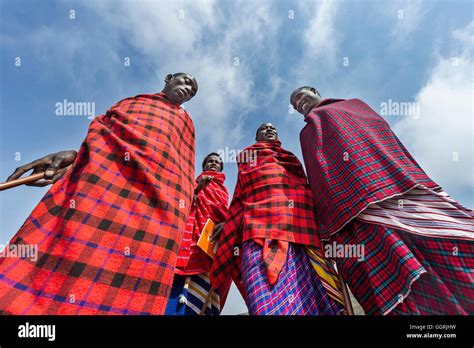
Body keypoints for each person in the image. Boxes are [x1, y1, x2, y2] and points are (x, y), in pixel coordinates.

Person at [0, 73, 198, 315]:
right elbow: (103, 141)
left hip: (156, 216)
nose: (188, 88)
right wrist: (76, 158)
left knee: (130, 287)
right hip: (97, 191)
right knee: (54, 266)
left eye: (193, 90)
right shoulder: (130, 104)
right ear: (168, 78)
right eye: (186, 81)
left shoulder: (186, 126)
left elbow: (179, 172)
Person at [291, 86, 474, 315]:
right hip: (349, 209)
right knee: (379, 267)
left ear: (314, 91)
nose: (299, 103)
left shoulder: (353, 105)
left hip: (393, 185)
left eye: (301, 97)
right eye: (295, 104)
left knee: (448, 247)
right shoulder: (305, 134)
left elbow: (383, 136)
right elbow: (317, 171)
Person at [210, 123, 345, 315]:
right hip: (258, 229)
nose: (270, 129)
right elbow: (241, 196)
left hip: (301, 229)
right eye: (264, 128)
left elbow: (306, 189)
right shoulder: (248, 158)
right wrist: (230, 224)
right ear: (257, 136)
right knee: (263, 297)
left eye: (273, 128)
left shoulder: (289, 158)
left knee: (317, 296)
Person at [165, 153, 231, 315]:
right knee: (173, 292)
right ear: (204, 165)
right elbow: (177, 206)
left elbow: (226, 215)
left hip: (210, 246)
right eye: (210, 161)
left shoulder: (223, 190)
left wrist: (226, 225)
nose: (214, 163)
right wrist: (196, 190)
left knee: (202, 292)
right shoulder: (191, 184)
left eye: (217, 162)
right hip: (187, 243)